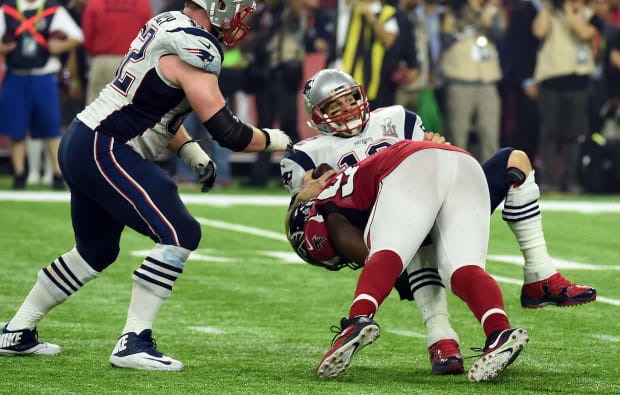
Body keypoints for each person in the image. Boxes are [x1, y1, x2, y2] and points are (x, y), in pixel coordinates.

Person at [0, 0, 292, 371]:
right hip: (105, 147)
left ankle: (18, 329)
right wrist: (282, 140)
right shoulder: (196, 48)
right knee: (181, 231)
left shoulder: (169, 23)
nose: (241, 18)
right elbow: (228, 131)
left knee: (95, 250)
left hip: (84, 140)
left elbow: (152, 108)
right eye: (237, 7)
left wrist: (188, 150)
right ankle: (134, 340)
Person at [280, 68, 595, 375]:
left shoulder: (395, 120)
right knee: (455, 260)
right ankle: (479, 334)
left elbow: (306, 223)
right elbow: (301, 213)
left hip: (412, 187)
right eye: (334, 107)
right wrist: (301, 196)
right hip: (451, 173)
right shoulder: (307, 155)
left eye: (349, 100)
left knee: (509, 164)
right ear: (317, 116)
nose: (346, 110)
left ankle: (536, 275)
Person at [287, 139, 530, 382]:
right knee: (462, 269)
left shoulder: (325, 209)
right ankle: (498, 332)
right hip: (466, 164)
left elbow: (382, 258)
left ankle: (357, 320)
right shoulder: (340, 183)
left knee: (387, 251)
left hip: (413, 166)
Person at [0, 0, 84, 189]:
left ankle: (57, 174)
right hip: (16, 74)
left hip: (43, 75)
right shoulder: (9, 9)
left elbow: (77, 36)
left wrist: (58, 47)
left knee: (51, 127)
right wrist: (3, 48)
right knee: (16, 129)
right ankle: (19, 174)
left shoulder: (51, 9)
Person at [82, 0, 153, 104]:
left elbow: (87, 35)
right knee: (130, 104)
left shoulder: (95, 3)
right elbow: (149, 33)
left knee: (96, 106)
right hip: (133, 61)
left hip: (103, 60)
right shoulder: (142, 3)